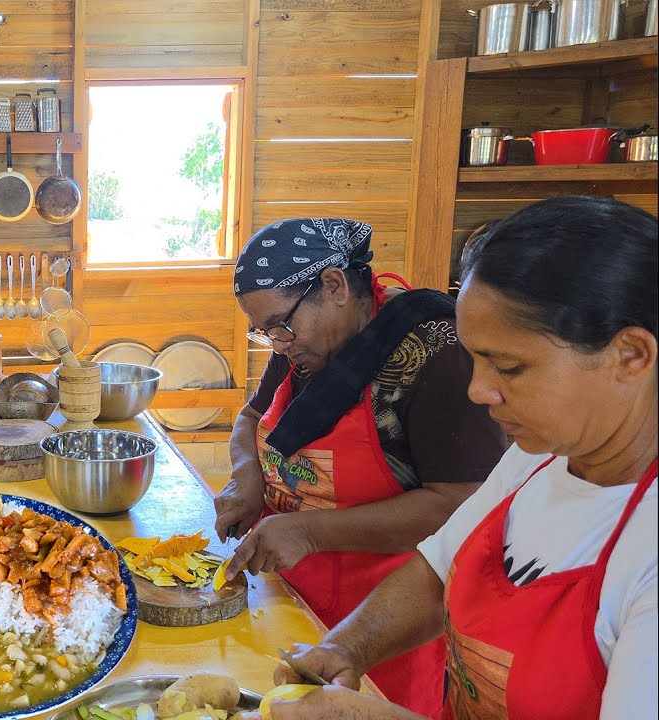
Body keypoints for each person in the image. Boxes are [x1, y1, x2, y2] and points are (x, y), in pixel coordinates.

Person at [258, 196, 657, 720]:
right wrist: (346, 648)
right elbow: (439, 568)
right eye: (474, 360)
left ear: (629, 355)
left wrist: (358, 716)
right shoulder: (538, 457)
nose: (477, 390)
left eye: (509, 368)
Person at [213, 218, 507, 716]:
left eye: (280, 326)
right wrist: (248, 479)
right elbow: (250, 417)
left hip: (388, 628)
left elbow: (463, 509)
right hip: (291, 599)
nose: (278, 344)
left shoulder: (433, 357)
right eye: (265, 333)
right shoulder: (304, 343)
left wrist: (309, 532)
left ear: (333, 286)